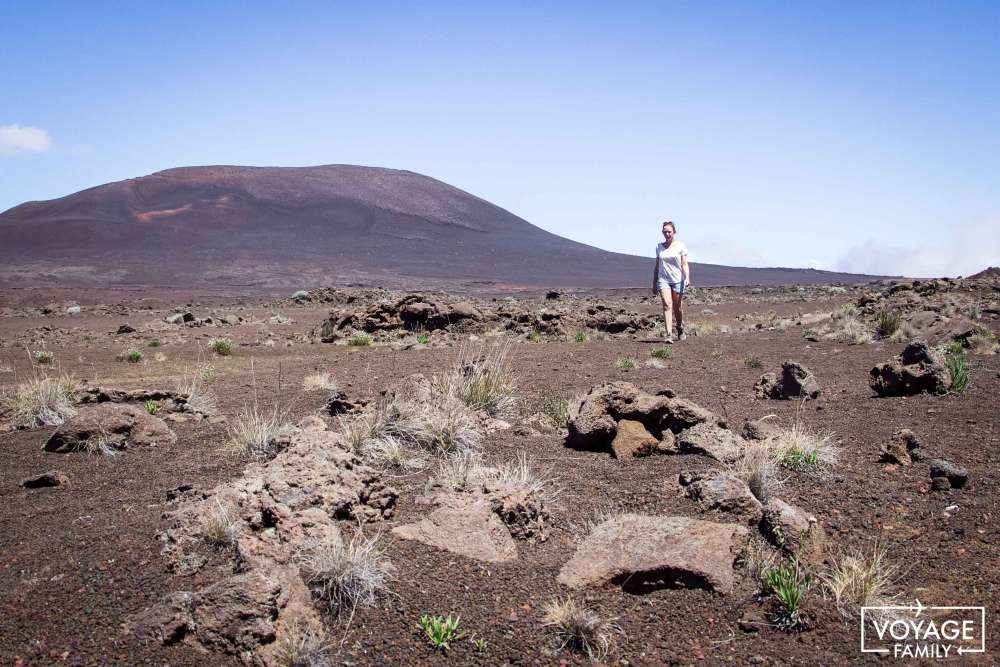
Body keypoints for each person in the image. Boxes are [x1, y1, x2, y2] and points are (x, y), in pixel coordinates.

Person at [651, 220, 691, 343]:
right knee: (667, 305)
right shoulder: (659, 247)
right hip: (664, 280)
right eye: (665, 232)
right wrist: (654, 283)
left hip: (678, 280)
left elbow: (684, 264)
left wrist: (687, 277)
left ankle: (680, 328)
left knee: (677, 307)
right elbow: (657, 266)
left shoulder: (680, 246)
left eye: (669, 231)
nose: (667, 234)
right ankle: (668, 334)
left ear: (674, 232)